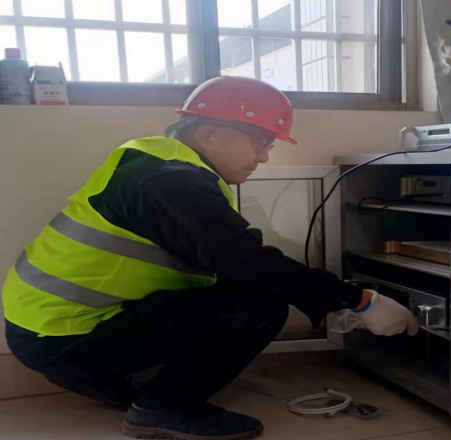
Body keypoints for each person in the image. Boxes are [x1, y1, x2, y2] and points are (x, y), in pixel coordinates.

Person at [2, 76, 418, 440]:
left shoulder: (161, 164)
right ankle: (160, 409)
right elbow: (247, 264)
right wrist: (358, 300)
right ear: (211, 134)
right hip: (62, 335)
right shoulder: (170, 182)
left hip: (51, 325)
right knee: (259, 306)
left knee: (240, 290)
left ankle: (116, 380)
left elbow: (222, 259)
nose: (264, 157)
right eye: (260, 142)